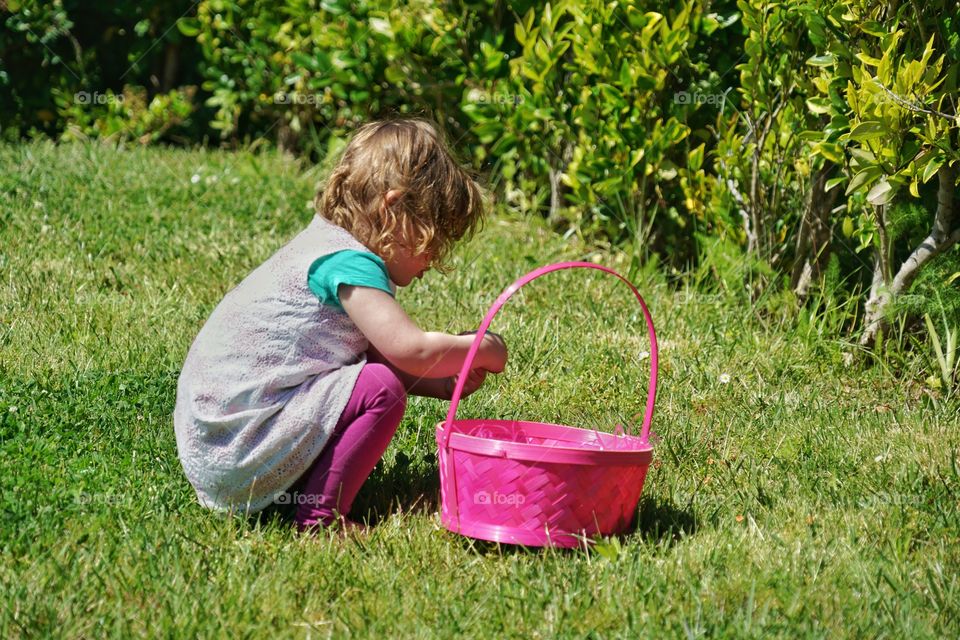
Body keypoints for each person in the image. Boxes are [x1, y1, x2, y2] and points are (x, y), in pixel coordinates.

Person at [173, 118, 508, 531]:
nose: (433, 261)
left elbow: (359, 356)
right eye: (433, 240)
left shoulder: (328, 245)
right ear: (394, 209)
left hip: (218, 447)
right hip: (242, 447)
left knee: (375, 383)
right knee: (381, 392)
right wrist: (481, 347)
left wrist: (436, 383)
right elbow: (410, 350)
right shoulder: (349, 264)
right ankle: (320, 518)